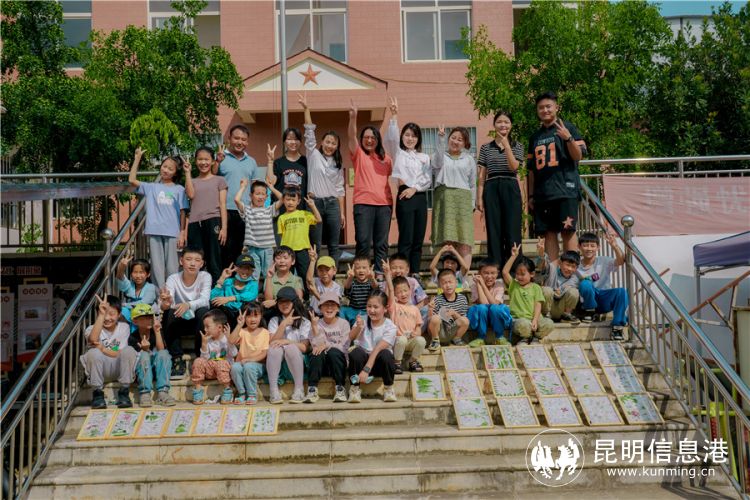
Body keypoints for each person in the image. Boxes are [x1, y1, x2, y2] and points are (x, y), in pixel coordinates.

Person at [527, 92, 587, 261]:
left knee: (568, 231)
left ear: (556, 107)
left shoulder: (568, 127)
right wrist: (531, 195)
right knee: (548, 233)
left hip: (565, 190)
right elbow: (531, 170)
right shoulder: (534, 137)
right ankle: (553, 273)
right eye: (541, 107)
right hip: (543, 194)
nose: (545, 110)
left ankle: (571, 271)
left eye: (548, 106)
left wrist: (568, 138)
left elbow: (578, 156)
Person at [128, 147, 188, 289]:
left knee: (172, 267)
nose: (166, 170)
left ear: (175, 173)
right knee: (157, 267)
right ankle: (160, 296)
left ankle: (172, 295)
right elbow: (131, 180)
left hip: (173, 232)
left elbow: (183, 212)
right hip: (154, 231)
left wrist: (182, 233)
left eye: (170, 169)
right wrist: (137, 159)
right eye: (164, 166)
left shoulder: (179, 189)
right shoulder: (152, 187)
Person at [383, 97, 431, 275]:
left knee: (418, 238)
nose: (410, 138)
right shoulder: (399, 153)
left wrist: (415, 188)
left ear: (418, 139)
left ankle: (415, 272)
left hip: (419, 196)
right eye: (407, 135)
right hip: (404, 196)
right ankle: (401, 272)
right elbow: (391, 138)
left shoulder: (424, 157)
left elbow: (427, 178)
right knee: (406, 237)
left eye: (414, 135)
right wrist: (394, 115)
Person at [347, 99, 393, 276]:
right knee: (363, 241)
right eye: (366, 137)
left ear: (377, 140)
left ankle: (380, 275)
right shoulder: (358, 154)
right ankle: (362, 275)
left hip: (384, 205)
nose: (369, 140)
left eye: (372, 137)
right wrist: (353, 117)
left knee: (381, 243)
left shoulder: (386, 159)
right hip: (363, 204)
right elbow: (351, 136)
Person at [298, 93, 345, 264]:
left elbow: (340, 189)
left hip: (332, 204)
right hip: (314, 203)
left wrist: (341, 213)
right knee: (315, 244)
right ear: (322, 142)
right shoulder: (313, 154)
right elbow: (309, 131)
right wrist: (306, 109)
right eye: (327, 142)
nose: (330, 145)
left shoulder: (338, 164)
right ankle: (314, 274)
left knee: (334, 245)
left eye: (333, 143)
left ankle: (333, 274)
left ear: (337, 146)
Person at [477, 110, 525, 270]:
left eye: (506, 122)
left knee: (513, 229)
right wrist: (479, 198)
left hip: (510, 186)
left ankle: (515, 268)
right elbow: (482, 175)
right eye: (499, 122)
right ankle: (495, 268)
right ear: (494, 125)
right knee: (494, 229)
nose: (503, 125)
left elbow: (514, 167)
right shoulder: (485, 148)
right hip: (491, 187)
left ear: (511, 125)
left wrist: (507, 146)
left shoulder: (518, 146)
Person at [160, 247, 212, 378]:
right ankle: (177, 358)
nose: (192, 263)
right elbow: (168, 303)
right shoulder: (173, 278)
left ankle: (200, 357)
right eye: (188, 259)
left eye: (197, 260)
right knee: (168, 312)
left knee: (204, 312)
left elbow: (205, 300)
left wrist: (188, 304)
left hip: (198, 322)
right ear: (181, 261)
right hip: (179, 320)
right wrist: (166, 303)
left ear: (202, 263)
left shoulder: (205, 276)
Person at [214, 124, 260, 267]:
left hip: (244, 211)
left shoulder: (251, 161)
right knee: (223, 246)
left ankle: (236, 277)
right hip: (224, 210)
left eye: (243, 139)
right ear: (229, 138)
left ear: (247, 142)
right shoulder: (221, 158)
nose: (240, 142)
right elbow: (211, 177)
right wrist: (217, 162)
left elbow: (255, 187)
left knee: (240, 248)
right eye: (236, 138)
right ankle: (224, 277)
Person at [80, 295, 137, 409]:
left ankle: (124, 392)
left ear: (119, 314)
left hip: (119, 370)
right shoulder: (91, 328)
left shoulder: (124, 327)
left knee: (129, 350)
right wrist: (101, 315)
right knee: (93, 352)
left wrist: (103, 349)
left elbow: (120, 352)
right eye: (103, 313)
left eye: (111, 314)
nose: (107, 318)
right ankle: (97, 394)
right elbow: (93, 340)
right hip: (100, 372)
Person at [432, 126, 477, 269]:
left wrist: (472, 204)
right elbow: (436, 162)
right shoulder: (441, 156)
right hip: (444, 199)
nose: (455, 141)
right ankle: (447, 275)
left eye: (460, 139)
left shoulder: (469, 159)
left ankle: (463, 275)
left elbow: (472, 184)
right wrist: (440, 139)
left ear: (465, 143)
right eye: (453, 138)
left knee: (464, 239)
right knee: (447, 240)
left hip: (463, 201)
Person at [184, 147, 227, 283]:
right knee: (196, 260)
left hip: (213, 221)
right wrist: (187, 173)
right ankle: (197, 291)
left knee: (214, 259)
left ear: (213, 161)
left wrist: (224, 228)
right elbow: (191, 195)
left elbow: (223, 204)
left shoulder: (219, 180)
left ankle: (216, 291)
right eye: (200, 159)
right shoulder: (192, 181)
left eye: (206, 159)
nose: (203, 162)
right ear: (195, 161)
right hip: (194, 224)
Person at [347, 290, 398, 403]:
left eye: (376, 307)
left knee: (386, 354)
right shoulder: (363, 319)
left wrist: (366, 369)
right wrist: (358, 327)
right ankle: (354, 388)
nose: (371, 310)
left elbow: (378, 349)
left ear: (385, 308)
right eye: (369, 306)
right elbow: (351, 337)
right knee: (356, 353)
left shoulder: (390, 326)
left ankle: (388, 388)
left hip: (378, 365)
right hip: (362, 363)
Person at [577, 231, 629, 341]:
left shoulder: (603, 261)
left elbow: (620, 261)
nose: (589, 249)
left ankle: (617, 326)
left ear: (598, 247)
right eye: (585, 245)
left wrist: (615, 246)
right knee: (585, 283)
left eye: (592, 246)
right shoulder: (576, 265)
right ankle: (589, 311)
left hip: (603, 299)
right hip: (586, 302)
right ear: (579, 247)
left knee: (621, 291)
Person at [266, 287, 311, 404]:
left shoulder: (304, 321)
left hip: (298, 363)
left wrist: (288, 342)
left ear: (294, 302)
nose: (284, 305)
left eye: (287, 301)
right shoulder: (274, 320)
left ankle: (299, 389)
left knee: (291, 348)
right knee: (273, 349)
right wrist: (283, 325)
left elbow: (304, 348)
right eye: (281, 302)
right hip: (277, 364)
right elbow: (272, 343)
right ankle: (273, 390)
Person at [502, 244, 554, 344]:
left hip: (534, 319)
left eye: (523, 274)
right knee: (523, 324)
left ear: (532, 274)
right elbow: (505, 272)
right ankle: (527, 337)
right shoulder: (513, 285)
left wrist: (535, 320)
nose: (519, 277)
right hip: (519, 319)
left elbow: (538, 305)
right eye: (517, 274)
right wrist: (513, 256)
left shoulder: (536, 287)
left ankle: (536, 338)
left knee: (549, 324)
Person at [305, 292, 351, 403]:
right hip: (321, 366)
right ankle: (312, 389)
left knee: (334, 352)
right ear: (320, 308)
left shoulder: (344, 324)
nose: (329, 308)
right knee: (317, 353)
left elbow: (344, 347)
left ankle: (340, 388)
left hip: (338, 364)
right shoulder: (316, 323)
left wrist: (327, 345)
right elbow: (316, 346)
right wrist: (314, 327)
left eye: (333, 305)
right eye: (326, 305)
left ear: (338, 309)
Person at [234, 179, 284, 281]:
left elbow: (282, 198)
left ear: (266, 196)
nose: (260, 197)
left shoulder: (269, 210)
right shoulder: (247, 210)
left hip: (267, 248)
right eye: (257, 194)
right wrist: (243, 187)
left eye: (263, 194)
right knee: (254, 275)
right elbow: (236, 200)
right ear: (251, 195)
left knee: (268, 274)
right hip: (252, 249)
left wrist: (271, 187)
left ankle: (268, 291)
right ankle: (254, 291)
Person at [128, 304, 175, 407]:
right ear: (135, 321)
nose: (149, 320)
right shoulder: (133, 337)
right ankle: (145, 393)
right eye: (144, 318)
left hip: (157, 369)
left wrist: (157, 332)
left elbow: (161, 350)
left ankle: (163, 392)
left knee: (164, 353)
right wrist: (144, 350)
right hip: (142, 372)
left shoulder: (155, 331)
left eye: (150, 317)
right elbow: (136, 360)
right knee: (144, 355)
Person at [384, 261, 425, 374]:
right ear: (395, 295)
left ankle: (413, 361)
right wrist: (388, 275)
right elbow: (390, 291)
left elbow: (418, 326)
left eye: (405, 291)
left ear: (410, 291)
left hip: (410, 340)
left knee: (421, 340)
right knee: (401, 340)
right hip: (397, 340)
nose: (403, 294)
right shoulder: (394, 306)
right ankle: (397, 362)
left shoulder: (415, 309)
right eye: (399, 292)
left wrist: (417, 332)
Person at [191, 309, 236, 405]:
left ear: (219, 327)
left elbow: (234, 353)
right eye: (204, 327)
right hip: (211, 371)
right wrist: (204, 344)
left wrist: (230, 341)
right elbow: (204, 359)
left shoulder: (226, 339)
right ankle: (198, 390)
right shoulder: (208, 340)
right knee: (198, 361)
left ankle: (227, 390)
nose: (205, 329)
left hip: (225, 372)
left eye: (207, 326)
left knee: (221, 363)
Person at [277, 187, 322, 280]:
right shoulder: (281, 218)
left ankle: (305, 290)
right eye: (288, 199)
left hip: (303, 250)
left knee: (305, 276)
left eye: (293, 200)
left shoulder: (304, 214)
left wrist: (313, 206)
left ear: (298, 201)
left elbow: (319, 219)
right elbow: (282, 235)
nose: (290, 202)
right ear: (283, 200)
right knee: (287, 276)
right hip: (287, 252)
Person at [229, 302, 268, 405]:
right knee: (235, 367)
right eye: (249, 316)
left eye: (256, 315)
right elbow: (231, 341)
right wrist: (239, 325)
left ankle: (251, 394)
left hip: (259, 365)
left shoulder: (265, 332)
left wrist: (250, 360)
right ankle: (242, 393)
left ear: (261, 316)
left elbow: (264, 353)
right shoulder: (242, 331)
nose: (252, 319)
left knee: (249, 366)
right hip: (242, 363)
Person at [467, 259, 512, 347]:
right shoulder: (474, 286)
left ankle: (499, 336)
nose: (489, 276)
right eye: (486, 273)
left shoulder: (499, 285)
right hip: (482, 318)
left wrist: (483, 285)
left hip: (496, 317)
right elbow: (483, 303)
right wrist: (479, 284)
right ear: (479, 273)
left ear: (497, 273)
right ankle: (480, 337)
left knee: (495, 308)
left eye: (493, 273)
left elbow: (494, 303)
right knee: (481, 308)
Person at [537, 241, 581, 325]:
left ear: (576, 268)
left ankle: (567, 315)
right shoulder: (552, 270)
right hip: (548, 307)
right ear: (560, 263)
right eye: (567, 265)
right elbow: (542, 266)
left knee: (574, 292)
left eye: (573, 267)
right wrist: (541, 254)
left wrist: (559, 291)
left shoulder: (576, 278)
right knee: (547, 290)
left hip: (562, 308)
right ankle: (545, 315)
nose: (569, 269)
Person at [210, 254, 259, 326]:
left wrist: (228, 299)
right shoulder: (228, 282)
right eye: (242, 267)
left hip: (243, 316)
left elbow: (250, 295)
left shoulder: (253, 284)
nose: (246, 271)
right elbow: (213, 298)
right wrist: (222, 278)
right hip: (227, 314)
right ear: (236, 268)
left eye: (249, 268)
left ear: (252, 271)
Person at [427, 269, 470, 351]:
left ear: (456, 283)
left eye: (450, 282)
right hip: (440, 330)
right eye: (444, 283)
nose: (448, 285)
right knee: (435, 318)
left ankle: (456, 339)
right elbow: (431, 320)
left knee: (465, 320)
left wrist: (454, 314)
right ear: (440, 285)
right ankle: (435, 340)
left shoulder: (462, 299)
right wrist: (430, 309)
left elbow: (463, 318)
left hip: (453, 330)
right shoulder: (437, 299)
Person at [115, 253, 158, 328]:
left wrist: (125, 304)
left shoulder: (151, 287)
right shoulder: (130, 285)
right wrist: (122, 267)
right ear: (131, 274)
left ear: (148, 274)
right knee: (120, 312)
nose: (138, 276)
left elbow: (144, 303)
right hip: (131, 314)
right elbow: (120, 279)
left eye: (141, 272)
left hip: (146, 316)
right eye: (135, 272)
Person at [262, 246, 305, 312]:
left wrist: (275, 302)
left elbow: (298, 301)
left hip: (292, 313)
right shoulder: (269, 279)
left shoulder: (297, 280)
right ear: (274, 261)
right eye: (278, 258)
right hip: (274, 312)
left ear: (293, 261)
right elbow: (268, 302)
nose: (282, 261)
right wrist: (269, 277)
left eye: (285, 258)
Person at [306, 246, 343, 317]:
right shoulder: (316, 281)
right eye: (321, 270)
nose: (324, 273)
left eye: (327, 269)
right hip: (314, 313)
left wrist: (315, 293)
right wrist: (313, 261)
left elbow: (331, 304)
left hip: (329, 315)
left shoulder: (337, 287)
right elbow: (309, 280)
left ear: (334, 270)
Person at [341, 256, 378, 325]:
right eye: (358, 268)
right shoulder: (352, 282)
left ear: (369, 269)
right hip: (353, 311)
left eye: (364, 268)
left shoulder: (371, 283)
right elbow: (347, 287)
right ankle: (344, 327)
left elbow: (376, 287)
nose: (361, 270)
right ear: (354, 270)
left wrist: (372, 278)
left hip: (366, 312)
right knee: (341, 309)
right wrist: (350, 278)